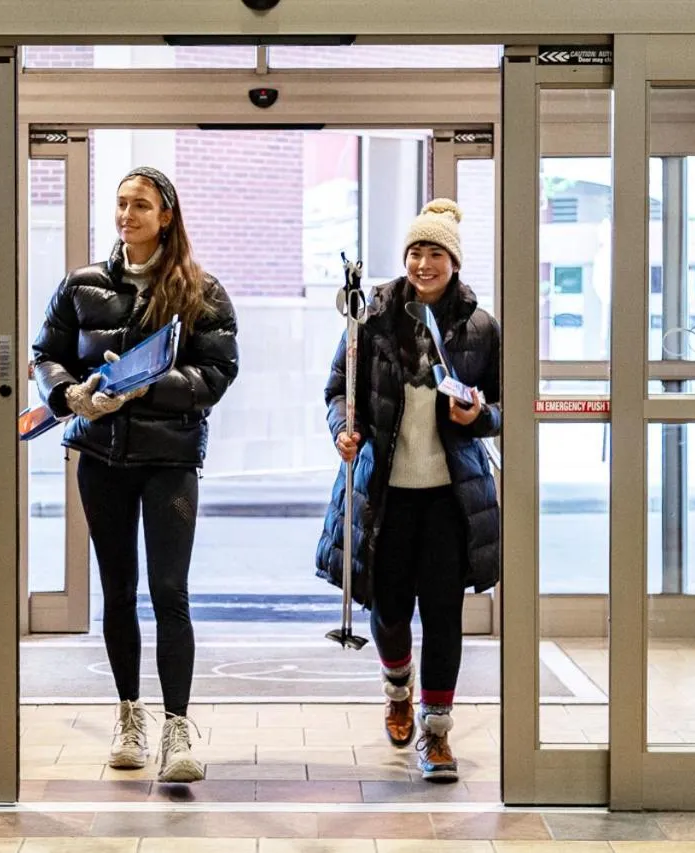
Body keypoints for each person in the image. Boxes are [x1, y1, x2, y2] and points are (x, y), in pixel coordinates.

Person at [31, 166, 239, 784]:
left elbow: (217, 373)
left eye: (140, 206)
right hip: (101, 458)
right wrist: (73, 396)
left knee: (169, 594)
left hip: (169, 461)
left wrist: (149, 385)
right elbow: (48, 354)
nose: (127, 215)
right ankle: (129, 716)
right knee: (117, 593)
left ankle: (178, 728)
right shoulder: (82, 284)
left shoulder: (201, 291)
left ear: (166, 216)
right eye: (121, 205)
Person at [314, 198, 501, 783]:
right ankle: (398, 688)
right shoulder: (371, 318)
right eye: (416, 251)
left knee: (443, 615)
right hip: (384, 492)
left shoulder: (479, 327)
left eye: (436, 253)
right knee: (389, 609)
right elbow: (338, 390)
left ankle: (437, 734)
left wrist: (481, 417)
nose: (424, 262)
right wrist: (344, 430)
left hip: (451, 496)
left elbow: (505, 403)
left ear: (454, 261)